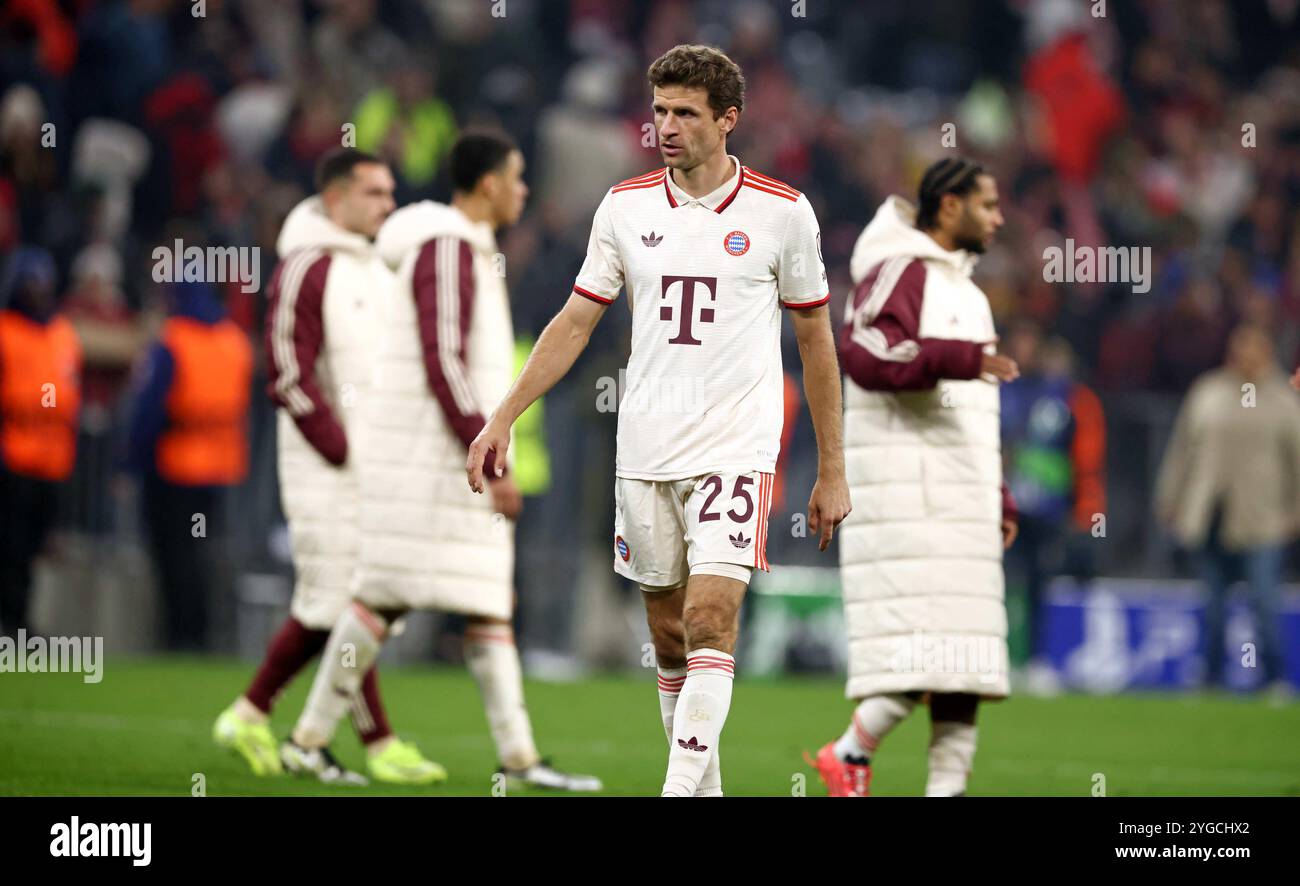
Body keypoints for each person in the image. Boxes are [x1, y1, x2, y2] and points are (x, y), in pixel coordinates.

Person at [466, 45, 851, 797]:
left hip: (735, 446)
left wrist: (832, 467)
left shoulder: (783, 213)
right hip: (643, 446)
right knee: (670, 637)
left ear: (728, 119)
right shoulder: (625, 207)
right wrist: (503, 415)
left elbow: (815, 341)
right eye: (660, 111)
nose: (666, 127)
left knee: (712, 618)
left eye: (685, 113)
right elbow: (576, 323)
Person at [285, 132, 602, 791]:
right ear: (488, 184)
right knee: (398, 596)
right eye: (516, 178)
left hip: (431, 457)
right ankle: (310, 739)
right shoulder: (449, 246)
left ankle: (513, 758)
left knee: (461, 600)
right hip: (431, 463)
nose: (523, 190)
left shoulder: (462, 247)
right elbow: (445, 359)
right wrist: (492, 456)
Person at [212, 148, 445, 786]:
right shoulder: (307, 265)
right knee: (344, 601)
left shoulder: (376, 269)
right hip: (323, 467)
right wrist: (341, 447)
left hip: (374, 467)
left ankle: (256, 713)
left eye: (391, 192)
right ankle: (371, 740)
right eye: (375, 193)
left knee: (350, 604)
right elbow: (287, 373)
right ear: (335, 198)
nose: (388, 204)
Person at [813, 157, 1020, 797]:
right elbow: (865, 352)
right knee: (928, 652)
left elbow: (974, 418)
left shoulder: (970, 293)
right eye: (988, 205)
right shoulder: (898, 270)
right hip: (909, 498)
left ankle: (939, 788)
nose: (999, 217)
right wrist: (961, 359)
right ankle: (848, 750)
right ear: (950, 207)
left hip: (961, 502)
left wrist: (998, 495)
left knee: (969, 661)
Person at [1155, 323, 1300, 692]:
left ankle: (1274, 678)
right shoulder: (1208, 391)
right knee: (1213, 606)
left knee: (1264, 602)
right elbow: (1183, 449)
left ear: (1266, 351)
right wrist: (1170, 497)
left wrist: (1295, 513)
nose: (1242, 355)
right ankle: (1211, 677)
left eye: (1251, 347)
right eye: (1238, 347)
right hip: (1210, 515)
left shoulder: (1283, 398)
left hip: (1262, 519)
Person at [126, 278, 251, 651]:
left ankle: (180, 633)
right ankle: (202, 631)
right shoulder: (234, 341)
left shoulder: (174, 340)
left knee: (174, 554)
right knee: (201, 549)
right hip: (217, 471)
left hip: (175, 468)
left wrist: (130, 462)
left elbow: (149, 412)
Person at [1001, 324, 1106, 688]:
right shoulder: (1002, 392)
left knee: (1037, 584)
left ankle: (1036, 661)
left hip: (1046, 509)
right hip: (1000, 505)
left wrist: (1086, 508)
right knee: (997, 583)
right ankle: (998, 657)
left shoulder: (1066, 399)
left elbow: (1084, 459)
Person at [0, 247, 81, 636]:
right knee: (10, 547)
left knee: (32, 549)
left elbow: (69, 396)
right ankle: (12, 621)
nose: (38, 290)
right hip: (13, 455)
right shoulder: (6, 331)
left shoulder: (61, 334)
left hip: (51, 462)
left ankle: (19, 621)